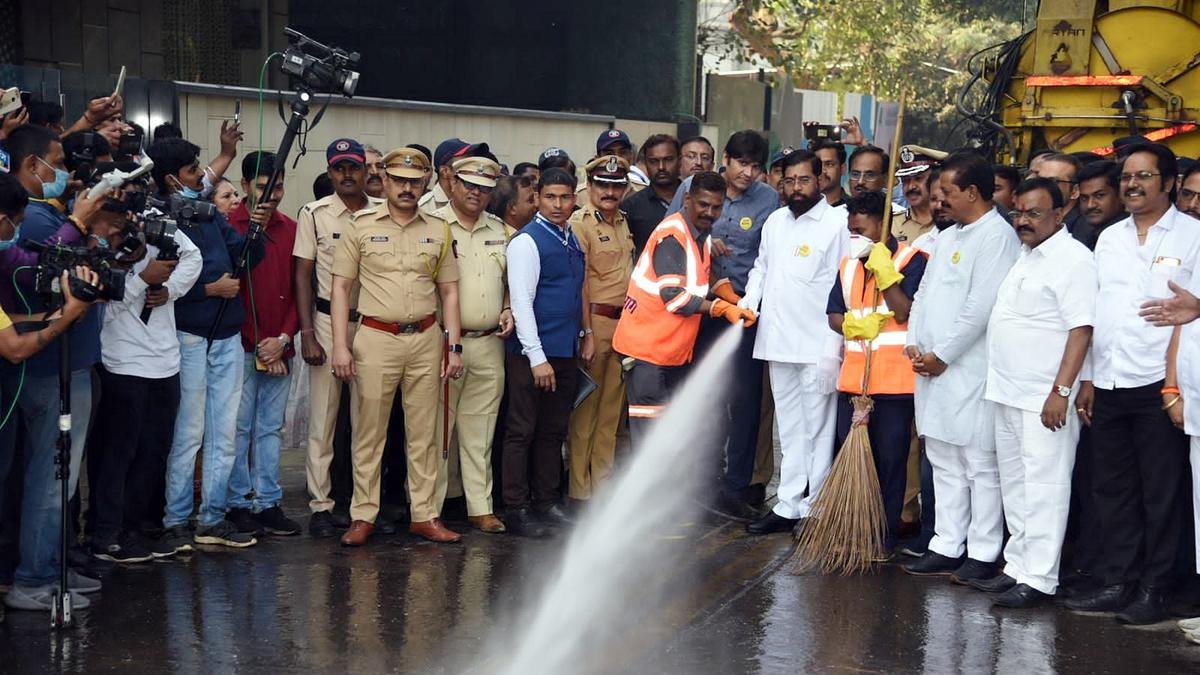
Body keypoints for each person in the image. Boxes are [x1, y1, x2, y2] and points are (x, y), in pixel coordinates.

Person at [1067, 143, 1199, 624]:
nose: (1133, 184)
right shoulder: (1110, 238)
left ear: (1168, 183)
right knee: (1113, 488)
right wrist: (1087, 378)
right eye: (1127, 176)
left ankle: (1157, 588)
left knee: (1161, 491)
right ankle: (1117, 582)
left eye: (1144, 176)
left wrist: (1174, 385)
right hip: (1110, 379)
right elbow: (1097, 311)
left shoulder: (1192, 236)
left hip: (1160, 383)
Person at [330, 147, 465, 547]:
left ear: (425, 183)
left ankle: (425, 514)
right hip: (375, 338)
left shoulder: (439, 228)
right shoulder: (360, 225)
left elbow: (450, 292)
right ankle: (363, 515)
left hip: (425, 338)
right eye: (399, 180)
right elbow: (340, 288)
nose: (407, 188)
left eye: (414, 181)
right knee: (368, 432)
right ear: (384, 181)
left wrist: (453, 347)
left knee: (423, 433)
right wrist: (341, 345)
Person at [902, 152, 1020, 583]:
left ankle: (984, 550)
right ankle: (947, 543)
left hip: (969, 367)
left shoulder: (996, 236)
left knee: (978, 461)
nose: (941, 201)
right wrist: (916, 342)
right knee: (943, 456)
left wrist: (944, 354)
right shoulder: (949, 236)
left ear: (973, 192)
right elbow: (924, 295)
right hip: (931, 366)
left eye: (948, 192)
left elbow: (980, 308)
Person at [981, 177, 1096, 608]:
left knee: (1045, 485)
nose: (1023, 221)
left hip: (1044, 397)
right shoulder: (1026, 256)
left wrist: (1061, 391)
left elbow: (1081, 329)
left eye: (1034, 213)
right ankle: (1018, 566)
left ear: (1062, 212)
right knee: (1016, 485)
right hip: (1008, 391)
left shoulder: (1073, 260)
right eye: (1019, 212)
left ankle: (1041, 577)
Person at [0, 167, 109, 612]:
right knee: (49, 479)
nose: (18, 234)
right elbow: (14, 346)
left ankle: (47, 568)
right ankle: (34, 578)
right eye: (14, 225)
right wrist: (80, 224)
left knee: (47, 478)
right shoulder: (27, 239)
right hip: (32, 374)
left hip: (35, 371)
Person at [150, 137, 265, 552]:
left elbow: (245, 256)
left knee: (225, 432)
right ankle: (176, 519)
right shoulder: (159, 217)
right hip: (190, 335)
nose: (201, 175)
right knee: (190, 431)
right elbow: (156, 284)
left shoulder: (208, 214)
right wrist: (206, 289)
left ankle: (212, 517)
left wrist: (257, 228)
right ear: (170, 179)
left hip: (228, 336)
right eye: (193, 170)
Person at [667, 131, 790, 517]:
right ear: (726, 159)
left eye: (756, 167)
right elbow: (672, 235)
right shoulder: (693, 187)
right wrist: (705, 242)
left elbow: (771, 259)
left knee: (746, 402)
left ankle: (735, 487)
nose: (748, 173)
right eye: (741, 164)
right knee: (704, 396)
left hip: (746, 312)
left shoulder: (769, 199)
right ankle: (700, 482)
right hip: (700, 309)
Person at [88, 180, 202, 564]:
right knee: (118, 451)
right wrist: (143, 280)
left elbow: (193, 257)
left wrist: (169, 289)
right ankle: (106, 533)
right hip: (122, 361)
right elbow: (105, 300)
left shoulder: (155, 225)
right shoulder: (94, 237)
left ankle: (136, 528)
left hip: (165, 361)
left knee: (154, 450)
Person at [740, 150, 848, 535]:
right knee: (788, 427)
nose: (796, 188)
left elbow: (845, 287)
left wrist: (832, 351)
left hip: (818, 344)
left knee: (818, 428)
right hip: (777, 340)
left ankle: (814, 508)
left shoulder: (837, 223)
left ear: (820, 180)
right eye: (790, 181)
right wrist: (749, 300)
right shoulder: (774, 222)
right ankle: (787, 504)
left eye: (804, 180)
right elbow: (761, 268)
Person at [613, 170, 755, 446]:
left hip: (667, 354)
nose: (709, 212)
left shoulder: (700, 234)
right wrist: (721, 308)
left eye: (716, 206)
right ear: (688, 199)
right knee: (649, 441)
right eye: (703, 204)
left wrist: (727, 293)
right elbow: (676, 299)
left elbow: (699, 277)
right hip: (648, 356)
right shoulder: (672, 236)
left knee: (662, 436)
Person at [821, 190, 928, 552]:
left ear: (883, 226)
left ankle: (881, 539)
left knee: (890, 462)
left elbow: (903, 311)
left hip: (895, 384)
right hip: (853, 382)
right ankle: (852, 529)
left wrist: (886, 274)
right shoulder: (848, 265)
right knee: (849, 455)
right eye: (852, 231)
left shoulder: (913, 260)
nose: (856, 238)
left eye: (862, 231)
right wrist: (850, 325)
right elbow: (834, 313)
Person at [295, 139, 381, 537]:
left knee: (368, 421)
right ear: (330, 173)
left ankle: (364, 505)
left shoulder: (383, 212)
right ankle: (321, 504)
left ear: (367, 172)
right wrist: (308, 333)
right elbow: (303, 274)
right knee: (324, 420)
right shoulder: (314, 214)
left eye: (354, 167)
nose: (347, 175)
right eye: (339, 168)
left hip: (374, 323)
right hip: (329, 322)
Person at [501, 168, 590, 538]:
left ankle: (547, 502)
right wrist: (536, 357)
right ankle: (516, 508)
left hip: (565, 349)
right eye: (550, 197)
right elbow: (521, 302)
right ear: (537, 198)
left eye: (564, 197)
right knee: (522, 430)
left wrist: (584, 334)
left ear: (574, 199)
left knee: (553, 431)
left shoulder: (570, 238)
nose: (558, 204)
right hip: (531, 354)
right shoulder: (527, 241)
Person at [428, 156, 514, 534]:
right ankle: (431, 509)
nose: (476, 193)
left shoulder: (501, 230)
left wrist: (509, 308)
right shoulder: (433, 227)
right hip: (445, 342)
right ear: (453, 183)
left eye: (484, 187)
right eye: (469, 185)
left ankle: (481, 506)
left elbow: (512, 281)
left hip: (489, 342)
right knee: (436, 432)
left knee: (481, 430)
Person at [223, 152, 302, 537]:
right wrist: (258, 345)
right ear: (244, 186)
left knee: (270, 428)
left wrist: (284, 339)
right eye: (262, 187)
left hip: (280, 344)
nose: (271, 195)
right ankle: (237, 502)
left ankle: (268, 501)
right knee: (237, 428)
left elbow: (299, 290)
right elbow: (230, 293)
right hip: (240, 344)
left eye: (278, 186)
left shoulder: (291, 228)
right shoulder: (229, 227)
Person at [566, 155, 635, 506]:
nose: (610, 192)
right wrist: (587, 333)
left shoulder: (623, 222)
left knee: (610, 414)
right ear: (590, 186)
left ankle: (602, 489)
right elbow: (580, 285)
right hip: (594, 323)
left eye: (616, 185)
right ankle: (579, 492)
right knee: (585, 413)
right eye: (603, 185)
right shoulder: (580, 224)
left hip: (623, 325)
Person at [621, 134, 681, 256]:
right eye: (654, 161)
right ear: (645, 164)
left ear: (679, 161)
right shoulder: (630, 207)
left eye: (668, 160)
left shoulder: (694, 201)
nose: (661, 167)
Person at [1028, 153, 1088, 244]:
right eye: (1040, 180)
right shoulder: (1030, 223)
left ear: (1075, 191)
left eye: (1053, 181)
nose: (1042, 187)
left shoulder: (1083, 232)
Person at [892, 146, 944, 245]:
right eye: (905, 181)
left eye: (919, 178)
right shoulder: (892, 223)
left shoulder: (948, 220)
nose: (911, 187)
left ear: (936, 180)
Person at [419, 138, 490, 212]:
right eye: (465, 164)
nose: (472, 169)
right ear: (445, 171)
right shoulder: (424, 208)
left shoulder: (478, 203)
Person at [1075, 160, 1125, 250]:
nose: (1090, 205)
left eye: (1099, 196)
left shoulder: (1132, 237)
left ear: (1120, 194)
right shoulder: (1084, 238)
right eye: (1084, 198)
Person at [812, 139, 848, 207]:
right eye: (817, 164)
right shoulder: (803, 206)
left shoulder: (852, 208)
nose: (822, 171)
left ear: (843, 169)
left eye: (829, 164)